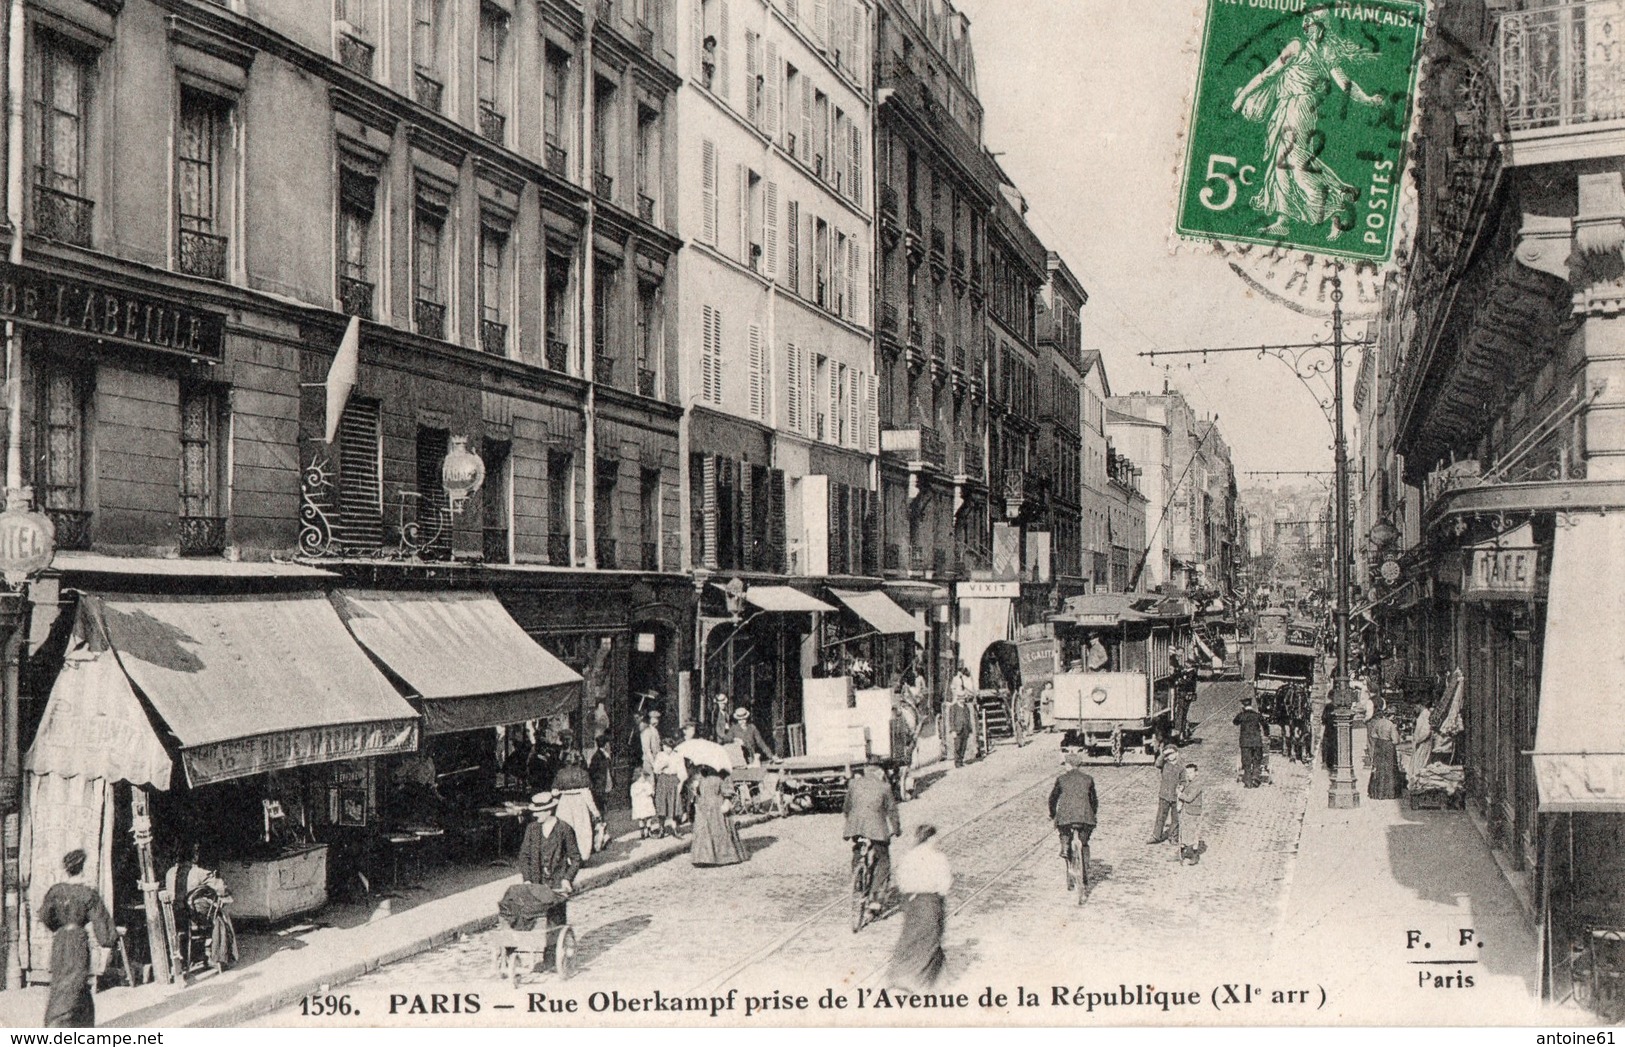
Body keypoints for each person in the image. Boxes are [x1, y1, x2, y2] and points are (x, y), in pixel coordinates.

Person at [1232, 10, 1386, 240]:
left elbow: (1345, 84)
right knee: (1282, 163)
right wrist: (1243, 95)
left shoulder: (1327, 53)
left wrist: (1367, 99)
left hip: (1301, 109)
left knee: (1294, 162)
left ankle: (1337, 202)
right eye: (1304, 23)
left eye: (1310, 23)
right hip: (1286, 107)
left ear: (1321, 26)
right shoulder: (1296, 46)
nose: (1305, 27)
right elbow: (1268, 73)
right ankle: (1287, 218)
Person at [39, 849, 114, 1028]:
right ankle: (59, 1023)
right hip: (77, 941)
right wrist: (110, 938)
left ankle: (81, 1024)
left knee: (62, 981)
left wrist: (59, 927)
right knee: (75, 980)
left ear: (66, 869)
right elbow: (102, 925)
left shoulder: (55, 891)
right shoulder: (88, 894)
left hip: (60, 940)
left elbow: (45, 916)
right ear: (82, 869)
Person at [885, 824, 951, 990]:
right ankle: (920, 979)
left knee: (910, 936)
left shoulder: (908, 856)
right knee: (930, 938)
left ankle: (900, 975)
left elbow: (901, 881)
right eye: (935, 838)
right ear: (929, 838)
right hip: (930, 901)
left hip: (911, 901)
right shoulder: (938, 858)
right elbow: (945, 884)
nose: (937, 841)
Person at [843, 759, 901, 918]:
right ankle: (875, 898)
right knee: (884, 861)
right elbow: (892, 811)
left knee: (857, 850)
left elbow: (846, 808)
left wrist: (852, 823)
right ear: (880, 772)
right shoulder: (884, 787)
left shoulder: (853, 784)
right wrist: (896, 830)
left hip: (856, 827)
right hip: (877, 830)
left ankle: (858, 879)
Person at [517, 792, 580, 927]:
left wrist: (567, 879)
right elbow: (524, 856)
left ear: (548, 811)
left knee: (555, 924)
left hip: (557, 885)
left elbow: (575, 858)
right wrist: (527, 879)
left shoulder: (564, 829)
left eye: (538, 812)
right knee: (537, 923)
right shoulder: (532, 829)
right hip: (537, 883)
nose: (534, 815)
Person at [1049, 751, 1099, 892]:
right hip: (1085, 818)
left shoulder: (1061, 779)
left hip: (1066, 818)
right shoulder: (1088, 779)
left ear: (1069, 765)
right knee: (1084, 842)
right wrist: (1092, 814)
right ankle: (1085, 868)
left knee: (1064, 831)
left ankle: (1065, 846)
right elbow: (1094, 801)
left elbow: (1052, 799)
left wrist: (1053, 814)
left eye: (1065, 764)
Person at [690, 765, 747, 866]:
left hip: (717, 807)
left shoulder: (723, 773)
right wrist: (695, 787)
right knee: (703, 832)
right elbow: (698, 793)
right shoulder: (701, 773)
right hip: (703, 808)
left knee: (719, 830)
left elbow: (728, 790)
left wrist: (727, 801)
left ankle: (724, 857)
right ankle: (704, 858)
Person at [552, 750, 603, 861]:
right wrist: (595, 812)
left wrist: (562, 793)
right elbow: (588, 795)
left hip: (564, 804)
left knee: (565, 831)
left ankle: (567, 858)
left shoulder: (560, 773)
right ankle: (581, 856)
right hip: (579, 804)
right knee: (581, 831)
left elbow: (554, 792)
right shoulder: (583, 774)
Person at [652, 736, 687, 838]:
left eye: (669, 747)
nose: (666, 749)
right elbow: (655, 769)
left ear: (672, 747)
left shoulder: (677, 756)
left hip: (674, 780)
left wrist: (680, 783)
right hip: (663, 780)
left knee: (674, 804)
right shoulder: (660, 755)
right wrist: (662, 765)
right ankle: (661, 828)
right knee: (662, 804)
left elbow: (682, 771)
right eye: (664, 746)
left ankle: (675, 828)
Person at [1148, 741, 1182, 844]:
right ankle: (1156, 836)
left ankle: (1173, 837)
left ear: (1176, 754)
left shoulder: (1181, 767)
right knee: (1161, 816)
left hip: (1176, 796)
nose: (1170, 756)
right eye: (1168, 755)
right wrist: (1163, 754)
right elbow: (1157, 763)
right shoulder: (1164, 765)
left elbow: (1184, 780)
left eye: (1172, 753)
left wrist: (1181, 789)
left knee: (1175, 818)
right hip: (1164, 795)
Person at [1366, 706, 1401, 800]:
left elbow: (1373, 734)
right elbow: (1395, 741)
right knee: (1389, 769)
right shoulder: (1391, 725)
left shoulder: (1378, 722)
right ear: (1391, 715)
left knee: (1378, 768)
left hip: (1379, 745)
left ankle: (1377, 793)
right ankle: (1388, 793)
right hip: (1388, 746)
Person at [1234, 698, 1268, 788]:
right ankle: (1255, 777)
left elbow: (1235, 722)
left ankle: (1248, 781)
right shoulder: (1257, 715)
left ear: (1243, 706)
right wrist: (1266, 733)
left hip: (1245, 743)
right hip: (1257, 742)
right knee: (1257, 760)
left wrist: (1241, 713)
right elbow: (1265, 725)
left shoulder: (1241, 715)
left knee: (1246, 761)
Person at [1177, 764, 1207, 865]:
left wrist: (1180, 794)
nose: (1188, 775)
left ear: (1196, 773)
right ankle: (1182, 853)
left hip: (1194, 812)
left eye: (1191, 773)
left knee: (1194, 833)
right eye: (1187, 773)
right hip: (1187, 811)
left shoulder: (1198, 784)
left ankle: (1195, 856)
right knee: (1184, 831)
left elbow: (1189, 798)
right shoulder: (1189, 783)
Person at [587, 734, 614, 816]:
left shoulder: (603, 755)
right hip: (600, 784)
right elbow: (592, 771)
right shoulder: (598, 756)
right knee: (600, 804)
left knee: (604, 802)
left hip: (604, 782)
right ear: (605, 745)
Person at [629, 766, 658, 838]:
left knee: (648, 818)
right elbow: (632, 794)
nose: (643, 779)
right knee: (641, 819)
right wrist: (641, 791)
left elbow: (651, 792)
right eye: (641, 777)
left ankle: (648, 831)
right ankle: (642, 833)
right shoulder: (634, 785)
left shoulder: (647, 784)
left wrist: (650, 791)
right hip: (640, 805)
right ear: (637, 777)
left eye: (644, 777)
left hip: (647, 804)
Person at [639, 709, 663, 777]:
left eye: (657, 719)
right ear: (650, 719)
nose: (656, 721)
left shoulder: (655, 730)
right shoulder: (647, 731)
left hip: (656, 760)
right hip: (649, 761)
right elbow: (647, 750)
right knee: (650, 782)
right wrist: (653, 763)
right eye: (654, 719)